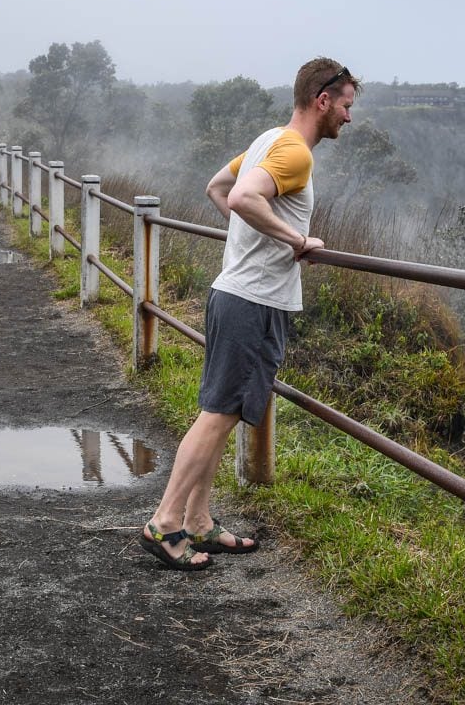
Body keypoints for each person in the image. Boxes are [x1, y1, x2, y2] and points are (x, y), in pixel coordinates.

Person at [139, 57, 361, 571]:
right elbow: (240, 196)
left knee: (224, 409)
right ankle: (165, 522)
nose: (348, 118)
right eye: (346, 107)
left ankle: (198, 521)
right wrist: (296, 240)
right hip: (253, 300)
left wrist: (253, 238)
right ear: (322, 100)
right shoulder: (295, 153)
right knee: (219, 414)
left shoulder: (269, 139)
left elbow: (217, 188)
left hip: (234, 292)